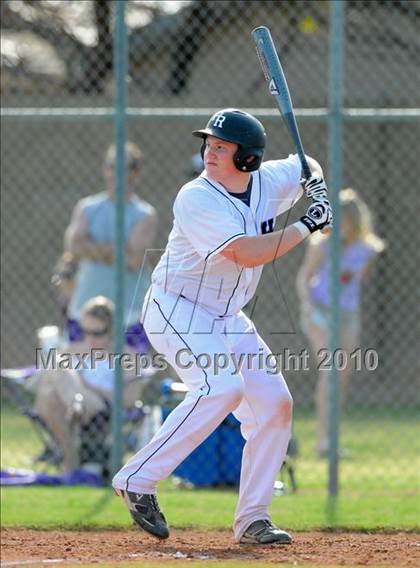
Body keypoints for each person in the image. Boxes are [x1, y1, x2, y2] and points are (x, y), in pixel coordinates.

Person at [112, 109, 332, 544]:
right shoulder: (197, 197)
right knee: (221, 386)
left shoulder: (269, 179)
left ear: (248, 160)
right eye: (209, 144)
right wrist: (308, 222)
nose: (210, 153)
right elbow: (247, 253)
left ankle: (253, 519)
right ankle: (136, 478)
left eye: (222, 147)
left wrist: (315, 182)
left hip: (227, 316)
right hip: (178, 308)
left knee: (274, 404)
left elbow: (307, 165)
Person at [296, 188, 385, 457]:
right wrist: (309, 307)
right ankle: (323, 442)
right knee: (331, 370)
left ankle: (331, 439)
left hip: (348, 314)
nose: (342, 225)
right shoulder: (322, 243)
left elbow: (360, 280)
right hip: (320, 311)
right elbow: (304, 278)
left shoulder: (368, 249)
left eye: (347, 220)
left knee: (341, 376)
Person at [32, 296, 142, 474]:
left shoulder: (128, 356)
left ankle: (70, 461)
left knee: (58, 371)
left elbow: (130, 399)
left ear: (112, 330)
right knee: (52, 384)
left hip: (102, 409)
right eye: (85, 331)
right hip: (64, 407)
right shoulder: (71, 349)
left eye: (97, 333)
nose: (90, 339)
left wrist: (86, 386)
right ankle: (74, 407)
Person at [64, 142, 157, 351]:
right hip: (84, 313)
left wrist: (92, 248)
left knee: (129, 378)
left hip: (129, 316)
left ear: (135, 173)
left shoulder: (145, 214)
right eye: (111, 167)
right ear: (105, 170)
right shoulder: (86, 208)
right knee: (79, 379)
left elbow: (133, 260)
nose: (116, 174)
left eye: (124, 168)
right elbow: (73, 247)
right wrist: (118, 251)